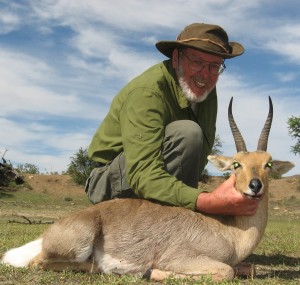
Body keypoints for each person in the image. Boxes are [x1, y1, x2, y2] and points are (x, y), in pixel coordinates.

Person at [85, 22, 259, 216]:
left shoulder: (206, 89)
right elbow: (142, 173)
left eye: (214, 66)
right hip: (110, 184)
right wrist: (205, 201)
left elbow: (199, 155)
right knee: (187, 133)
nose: (205, 74)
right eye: (197, 62)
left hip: (150, 178)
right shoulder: (147, 92)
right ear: (176, 58)